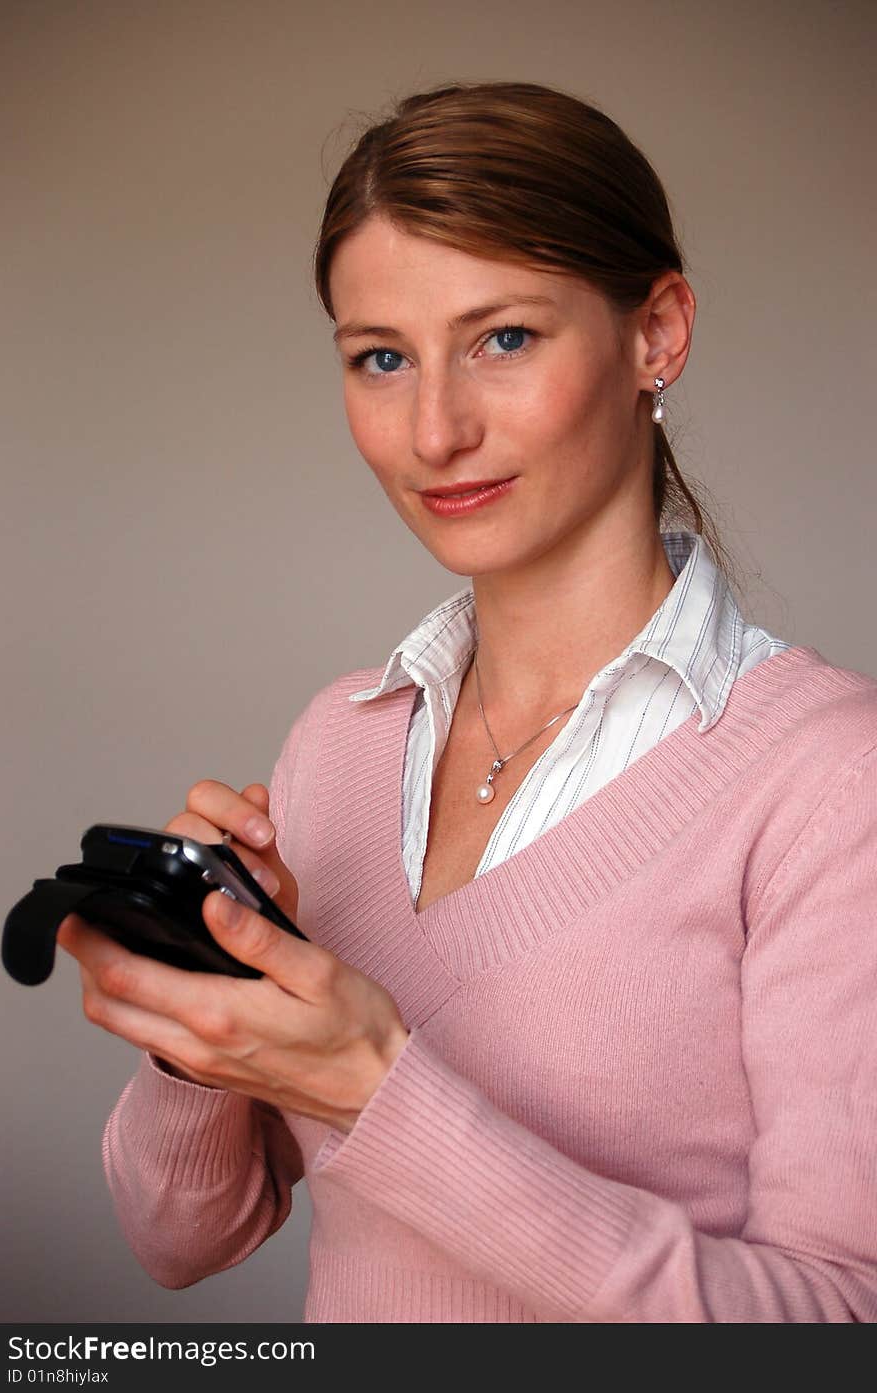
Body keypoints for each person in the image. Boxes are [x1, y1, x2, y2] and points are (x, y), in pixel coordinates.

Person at [57, 81, 877, 1323]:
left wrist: (378, 1087)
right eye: (381, 358)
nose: (433, 430)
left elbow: (838, 1324)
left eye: (503, 339)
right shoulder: (338, 746)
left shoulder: (828, 781)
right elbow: (180, 1239)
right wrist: (202, 1029)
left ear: (656, 332)